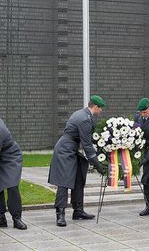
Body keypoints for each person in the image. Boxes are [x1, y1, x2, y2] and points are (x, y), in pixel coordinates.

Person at [48, 95, 108, 226]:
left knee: (79, 179)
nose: (101, 111)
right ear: (95, 107)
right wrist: (96, 163)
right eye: (101, 108)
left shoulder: (84, 114)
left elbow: (90, 139)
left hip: (73, 149)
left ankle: (78, 210)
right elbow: (87, 144)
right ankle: (60, 214)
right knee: (64, 182)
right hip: (65, 150)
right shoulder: (85, 119)